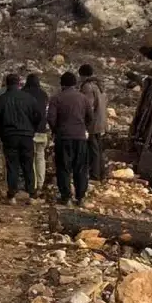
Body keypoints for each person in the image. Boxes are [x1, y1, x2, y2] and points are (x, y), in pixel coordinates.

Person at [0, 72, 44, 203]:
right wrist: (32, 129)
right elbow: (38, 116)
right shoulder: (29, 99)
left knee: (12, 165)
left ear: (6, 84)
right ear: (19, 83)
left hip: (9, 135)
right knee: (28, 165)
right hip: (26, 135)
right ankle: (31, 194)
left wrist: (2, 133)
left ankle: (12, 195)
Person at [48, 71, 93, 206]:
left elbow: (51, 118)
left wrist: (56, 130)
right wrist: (82, 127)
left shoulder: (56, 98)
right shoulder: (83, 98)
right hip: (80, 137)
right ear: (75, 84)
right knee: (80, 168)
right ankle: (80, 197)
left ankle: (66, 197)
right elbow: (90, 117)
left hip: (63, 138)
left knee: (63, 167)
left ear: (62, 84)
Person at [79, 64, 109, 181]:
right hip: (101, 121)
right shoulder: (98, 85)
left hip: (93, 122)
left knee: (93, 149)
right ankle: (101, 173)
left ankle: (94, 175)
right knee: (98, 149)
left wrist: (83, 121)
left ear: (82, 75)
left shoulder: (87, 87)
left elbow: (88, 106)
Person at [24, 73, 50, 194]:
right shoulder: (44, 94)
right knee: (40, 157)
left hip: (28, 131)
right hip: (42, 131)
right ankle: (40, 183)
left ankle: (32, 185)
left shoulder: (23, 94)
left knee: (29, 158)